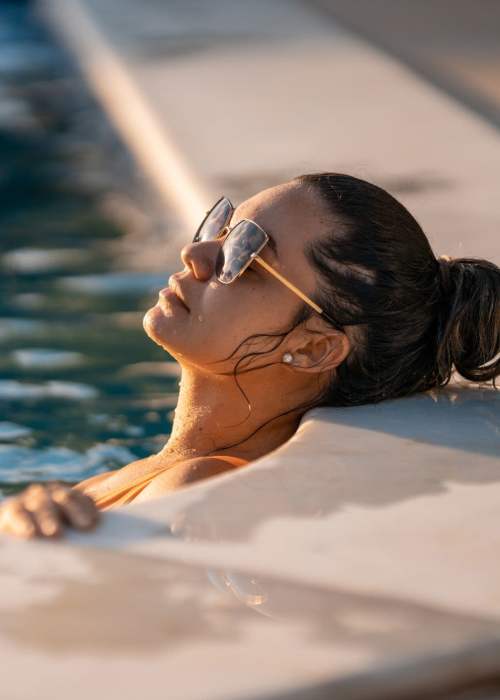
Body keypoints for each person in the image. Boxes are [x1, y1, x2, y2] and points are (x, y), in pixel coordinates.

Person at [1, 172, 499, 539]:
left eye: (245, 258)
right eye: (222, 227)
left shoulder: (195, 484)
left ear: (313, 347)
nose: (196, 255)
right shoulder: (166, 468)